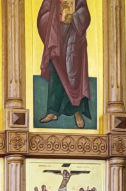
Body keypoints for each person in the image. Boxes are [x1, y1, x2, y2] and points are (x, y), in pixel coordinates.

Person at [37, 0, 92, 128]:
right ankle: (53, 111)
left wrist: (74, 17)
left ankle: (77, 111)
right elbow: (43, 16)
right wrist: (56, 16)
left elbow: (85, 14)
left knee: (75, 76)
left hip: (74, 39)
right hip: (56, 38)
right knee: (56, 74)